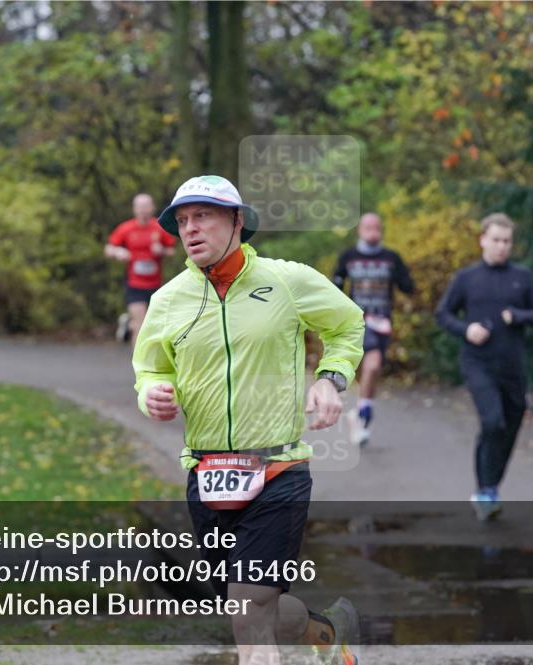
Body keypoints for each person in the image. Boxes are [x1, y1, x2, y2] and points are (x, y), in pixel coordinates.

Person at [132, 175, 364, 665]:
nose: (190, 229)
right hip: (207, 473)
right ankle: (325, 635)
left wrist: (330, 378)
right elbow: (150, 366)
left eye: (203, 217)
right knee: (247, 607)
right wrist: (151, 392)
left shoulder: (286, 280)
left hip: (278, 471)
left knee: (249, 609)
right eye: (182, 220)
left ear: (238, 221)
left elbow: (346, 325)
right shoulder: (167, 301)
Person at [435, 213, 533, 521]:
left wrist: (518, 316)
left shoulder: (523, 277)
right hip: (477, 363)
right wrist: (466, 329)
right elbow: (443, 313)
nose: (501, 246)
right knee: (492, 422)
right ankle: (484, 490)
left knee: (509, 427)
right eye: (496, 240)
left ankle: (491, 486)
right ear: (483, 240)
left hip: (512, 367)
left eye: (507, 241)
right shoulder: (467, 278)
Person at [333, 213, 414, 448]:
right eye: (368, 227)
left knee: (372, 369)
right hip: (357, 321)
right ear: (360, 230)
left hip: (382, 322)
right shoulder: (349, 256)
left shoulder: (391, 258)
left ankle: (360, 412)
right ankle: (364, 412)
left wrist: (405, 282)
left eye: (377, 227)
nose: (372, 231)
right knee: (373, 364)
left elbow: (407, 286)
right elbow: (335, 286)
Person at [105, 193, 177, 344]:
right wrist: (119, 252)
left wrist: (162, 251)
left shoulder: (159, 227)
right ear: (134, 209)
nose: (143, 210)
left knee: (153, 326)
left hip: (156, 285)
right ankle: (138, 365)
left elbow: (172, 251)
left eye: (146, 206)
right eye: (140, 207)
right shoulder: (126, 228)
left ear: (153, 208)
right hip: (134, 284)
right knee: (140, 325)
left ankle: (128, 323)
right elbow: (108, 249)